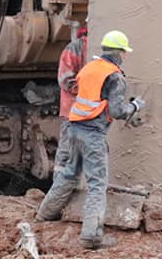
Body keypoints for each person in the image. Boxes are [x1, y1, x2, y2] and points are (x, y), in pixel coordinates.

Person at [36, 29, 145, 249]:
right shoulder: (115, 76)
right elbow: (115, 111)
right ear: (118, 52)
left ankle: (46, 213)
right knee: (97, 184)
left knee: (69, 173)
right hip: (93, 134)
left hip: (75, 127)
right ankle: (92, 236)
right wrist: (134, 106)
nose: (124, 56)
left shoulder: (90, 68)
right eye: (124, 52)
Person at [54, 24, 88, 173]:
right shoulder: (75, 48)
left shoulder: (86, 48)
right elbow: (66, 79)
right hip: (73, 110)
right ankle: (59, 187)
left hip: (88, 111)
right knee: (67, 151)